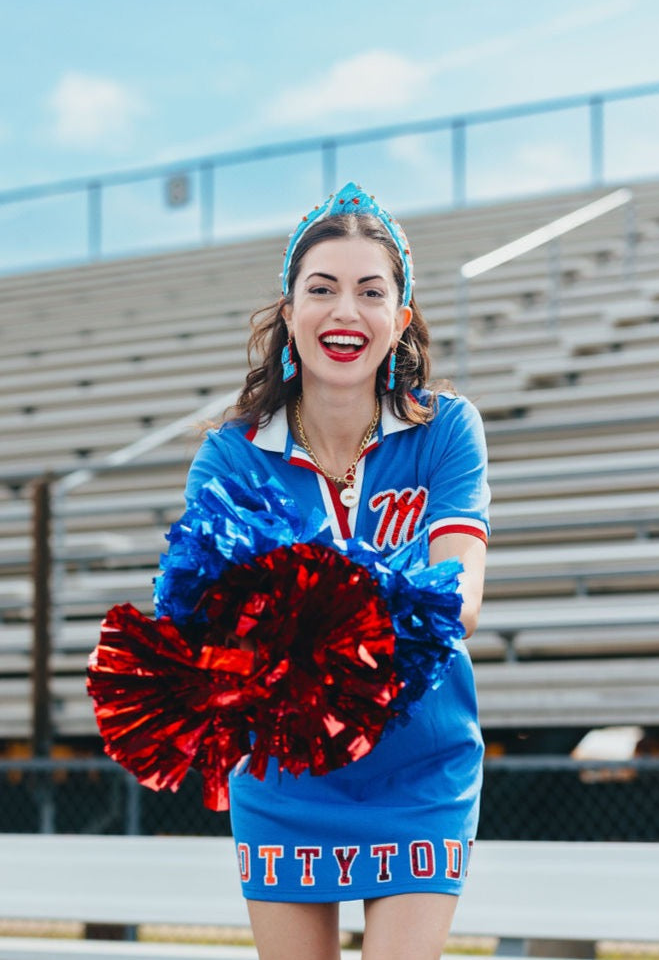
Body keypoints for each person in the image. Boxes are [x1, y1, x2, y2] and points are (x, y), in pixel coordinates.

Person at [184, 182, 490, 960]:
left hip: (420, 766)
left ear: (401, 316)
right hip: (286, 773)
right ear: (288, 312)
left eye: (370, 291)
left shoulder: (447, 430)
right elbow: (210, 622)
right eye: (320, 289)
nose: (344, 311)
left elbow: (455, 602)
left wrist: (304, 608)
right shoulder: (231, 454)